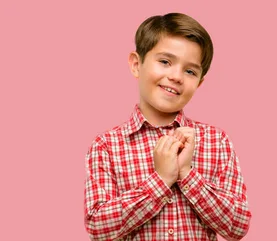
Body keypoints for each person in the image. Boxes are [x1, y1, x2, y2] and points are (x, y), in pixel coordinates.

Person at [83, 12, 252, 241]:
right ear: (136, 64)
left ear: (199, 82)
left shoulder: (216, 141)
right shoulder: (107, 145)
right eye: (165, 62)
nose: (176, 76)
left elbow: (238, 226)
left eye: (190, 71)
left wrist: (187, 174)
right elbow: (97, 226)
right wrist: (161, 180)